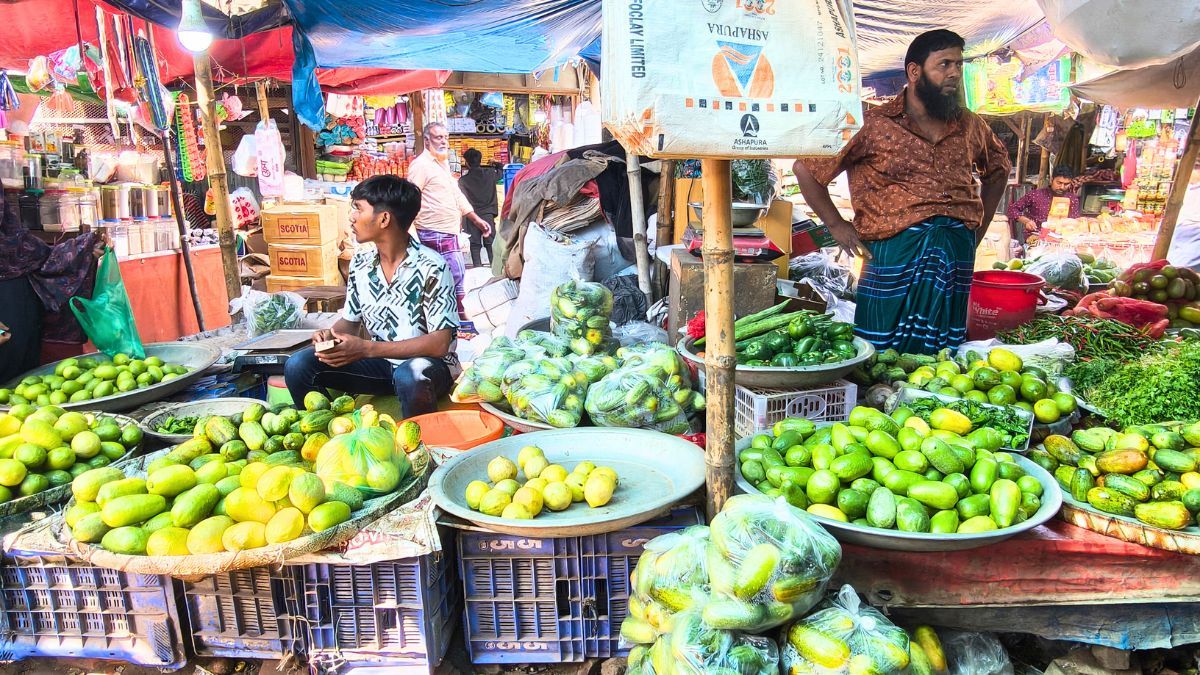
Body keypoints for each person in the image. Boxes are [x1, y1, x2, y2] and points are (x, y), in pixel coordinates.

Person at [792, 29, 1011, 355]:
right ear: (914, 71)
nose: (954, 73)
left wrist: (977, 229)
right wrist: (837, 226)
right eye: (944, 64)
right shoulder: (873, 124)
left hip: (956, 248)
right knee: (878, 349)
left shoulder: (970, 125)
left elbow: (999, 170)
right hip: (893, 249)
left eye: (958, 65)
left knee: (945, 353)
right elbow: (806, 170)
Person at [284, 175, 459, 418]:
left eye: (358, 208)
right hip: (381, 367)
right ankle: (331, 435)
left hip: (428, 369)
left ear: (384, 218)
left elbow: (439, 344)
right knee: (298, 365)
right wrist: (330, 336)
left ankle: (421, 447)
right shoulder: (361, 263)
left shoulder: (432, 266)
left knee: (412, 374)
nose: (351, 217)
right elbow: (350, 322)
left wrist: (367, 349)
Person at [0, 189, 104, 383]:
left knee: (21, 385)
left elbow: (40, 257)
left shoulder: (10, 238)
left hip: (17, 307)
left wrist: (83, 250)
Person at [406, 122, 492, 320]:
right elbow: (411, 198)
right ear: (427, 140)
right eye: (438, 137)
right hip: (432, 231)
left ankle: (452, 319)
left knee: (453, 276)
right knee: (452, 276)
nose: (444, 141)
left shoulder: (441, 164)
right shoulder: (421, 166)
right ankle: (457, 319)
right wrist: (410, 234)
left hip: (448, 231)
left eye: (445, 137)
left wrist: (476, 219)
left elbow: (457, 194)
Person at [1005, 165, 1081, 254]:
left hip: (1062, 243)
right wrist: (1026, 221)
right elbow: (1012, 209)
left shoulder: (1072, 199)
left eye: (1066, 184)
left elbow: (1075, 222)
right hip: (1035, 240)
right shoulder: (1035, 195)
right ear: (1051, 180)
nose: (1062, 187)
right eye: (1059, 183)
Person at [456, 148, 500, 267]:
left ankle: (477, 269)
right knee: (490, 243)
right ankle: (494, 269)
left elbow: (461, 200)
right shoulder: (490, 174)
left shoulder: (463, 181)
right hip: (488, 214)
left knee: (475, 245)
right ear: (480, 160)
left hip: (472, 216)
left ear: (467, 163)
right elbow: (500, 170)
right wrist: (494, 163)